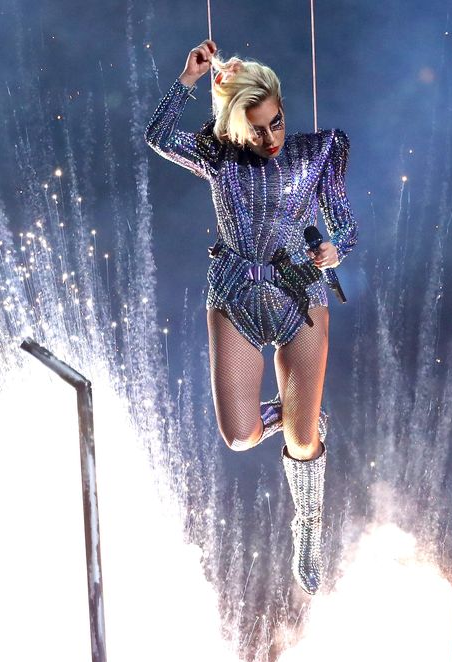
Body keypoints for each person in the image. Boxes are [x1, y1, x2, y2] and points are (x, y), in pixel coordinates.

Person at [145, 39, 357, 595]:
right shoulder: (217, 155)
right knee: (239, 436)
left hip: (299, 296)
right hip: (235, 293)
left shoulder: (317, 151)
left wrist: (334, 249)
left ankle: (307, 524)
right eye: (257, 128)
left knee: (304, 436)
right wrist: (187, 77)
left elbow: (345, 224)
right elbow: (159, 137)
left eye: (278, 122)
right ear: (235, 125)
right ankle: (296, 413)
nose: (271, 138)